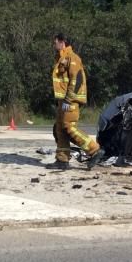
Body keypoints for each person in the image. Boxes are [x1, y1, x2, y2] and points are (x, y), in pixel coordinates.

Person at [50, 33, 104, 170]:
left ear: (62, 42)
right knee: (60, 129)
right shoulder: (61, 58)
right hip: (63, 100)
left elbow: (77, 79)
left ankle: (95, 150)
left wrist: (69, 99)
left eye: (55, 42)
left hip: (70, 100)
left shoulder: (72, 58)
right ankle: (62, 160)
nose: (53, 44)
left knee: (69, 127)